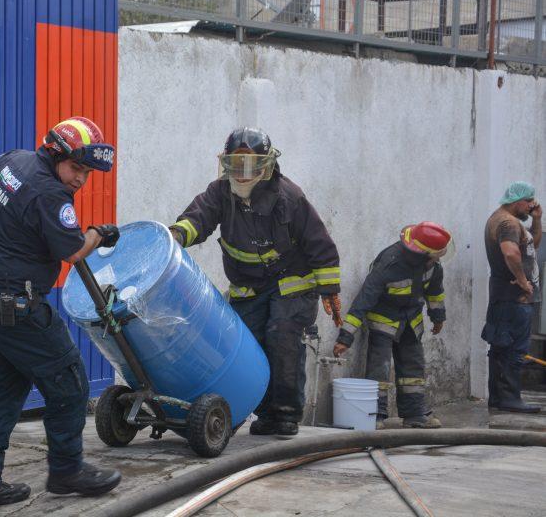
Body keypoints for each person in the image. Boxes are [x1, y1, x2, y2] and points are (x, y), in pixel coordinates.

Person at [0, 117, 123, 510]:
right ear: (55, 154)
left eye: (87, 172)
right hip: (14, 305)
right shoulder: (50, 194)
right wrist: (99, 234)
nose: (81, 179)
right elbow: (72, 250)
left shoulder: (15, 161)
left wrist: (6, 225)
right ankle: (67, 471)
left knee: (3, 390)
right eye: (77, 168)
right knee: (69, 383)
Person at [168, 127, 341, 437]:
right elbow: (199, 218)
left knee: (282, 336)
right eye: (235, 166)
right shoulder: (220, 192)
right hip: (250, 286)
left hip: (293, 284)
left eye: (251, 166)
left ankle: (285, 413)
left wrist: (329, 290)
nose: (243, 175)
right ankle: (263, 412)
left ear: (267, 165)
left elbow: (319, 244)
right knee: (249, 346)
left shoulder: (289, 197)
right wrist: (176, 236)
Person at [333, 222, 452, 429]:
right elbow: (364, 300)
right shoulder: (390, 264)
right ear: (423, 253)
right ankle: (375, 415)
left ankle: (415, 414)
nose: (438, 259)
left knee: (413, 370)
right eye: (436, 255)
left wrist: (438, 316)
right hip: (384, 322)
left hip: (411, 323)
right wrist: (345, 337)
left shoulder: (432, 267)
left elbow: (435, 293)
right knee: (379, 370)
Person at [482, 181, 542, 413]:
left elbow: (530, 248)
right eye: (528, 201)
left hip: (505, 297)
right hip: (513, 298)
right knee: (514, 349)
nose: (531, 205)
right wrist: (522, 280)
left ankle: (499, 397)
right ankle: (509, 398)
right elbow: (511, 252)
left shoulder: (507, 221)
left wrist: (536, 219)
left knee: (500, 347)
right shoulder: (507, 223)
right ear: (516, 201)